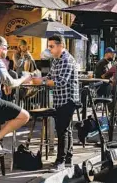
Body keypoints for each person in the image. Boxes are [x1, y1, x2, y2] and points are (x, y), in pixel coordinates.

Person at [0, 36, 31, 154]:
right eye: (6, 48)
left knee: (5, 113)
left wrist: (3, 84)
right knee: (24, 116)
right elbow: (11, 82)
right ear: (0, 47)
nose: (6, 51)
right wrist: (23, 79)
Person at [43, 35, 79, 172]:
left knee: (62, 130)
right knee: (66, 129)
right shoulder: (56, 60)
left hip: (67, 99)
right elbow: (50, 77)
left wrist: (42, 82)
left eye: (52, 46)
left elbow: (60, 81)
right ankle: (68, 158)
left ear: (61, 45)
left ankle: (61, 161)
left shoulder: (66, 60)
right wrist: (38, 78)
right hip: (60, 99)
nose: (49, 49)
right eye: (49, 46)